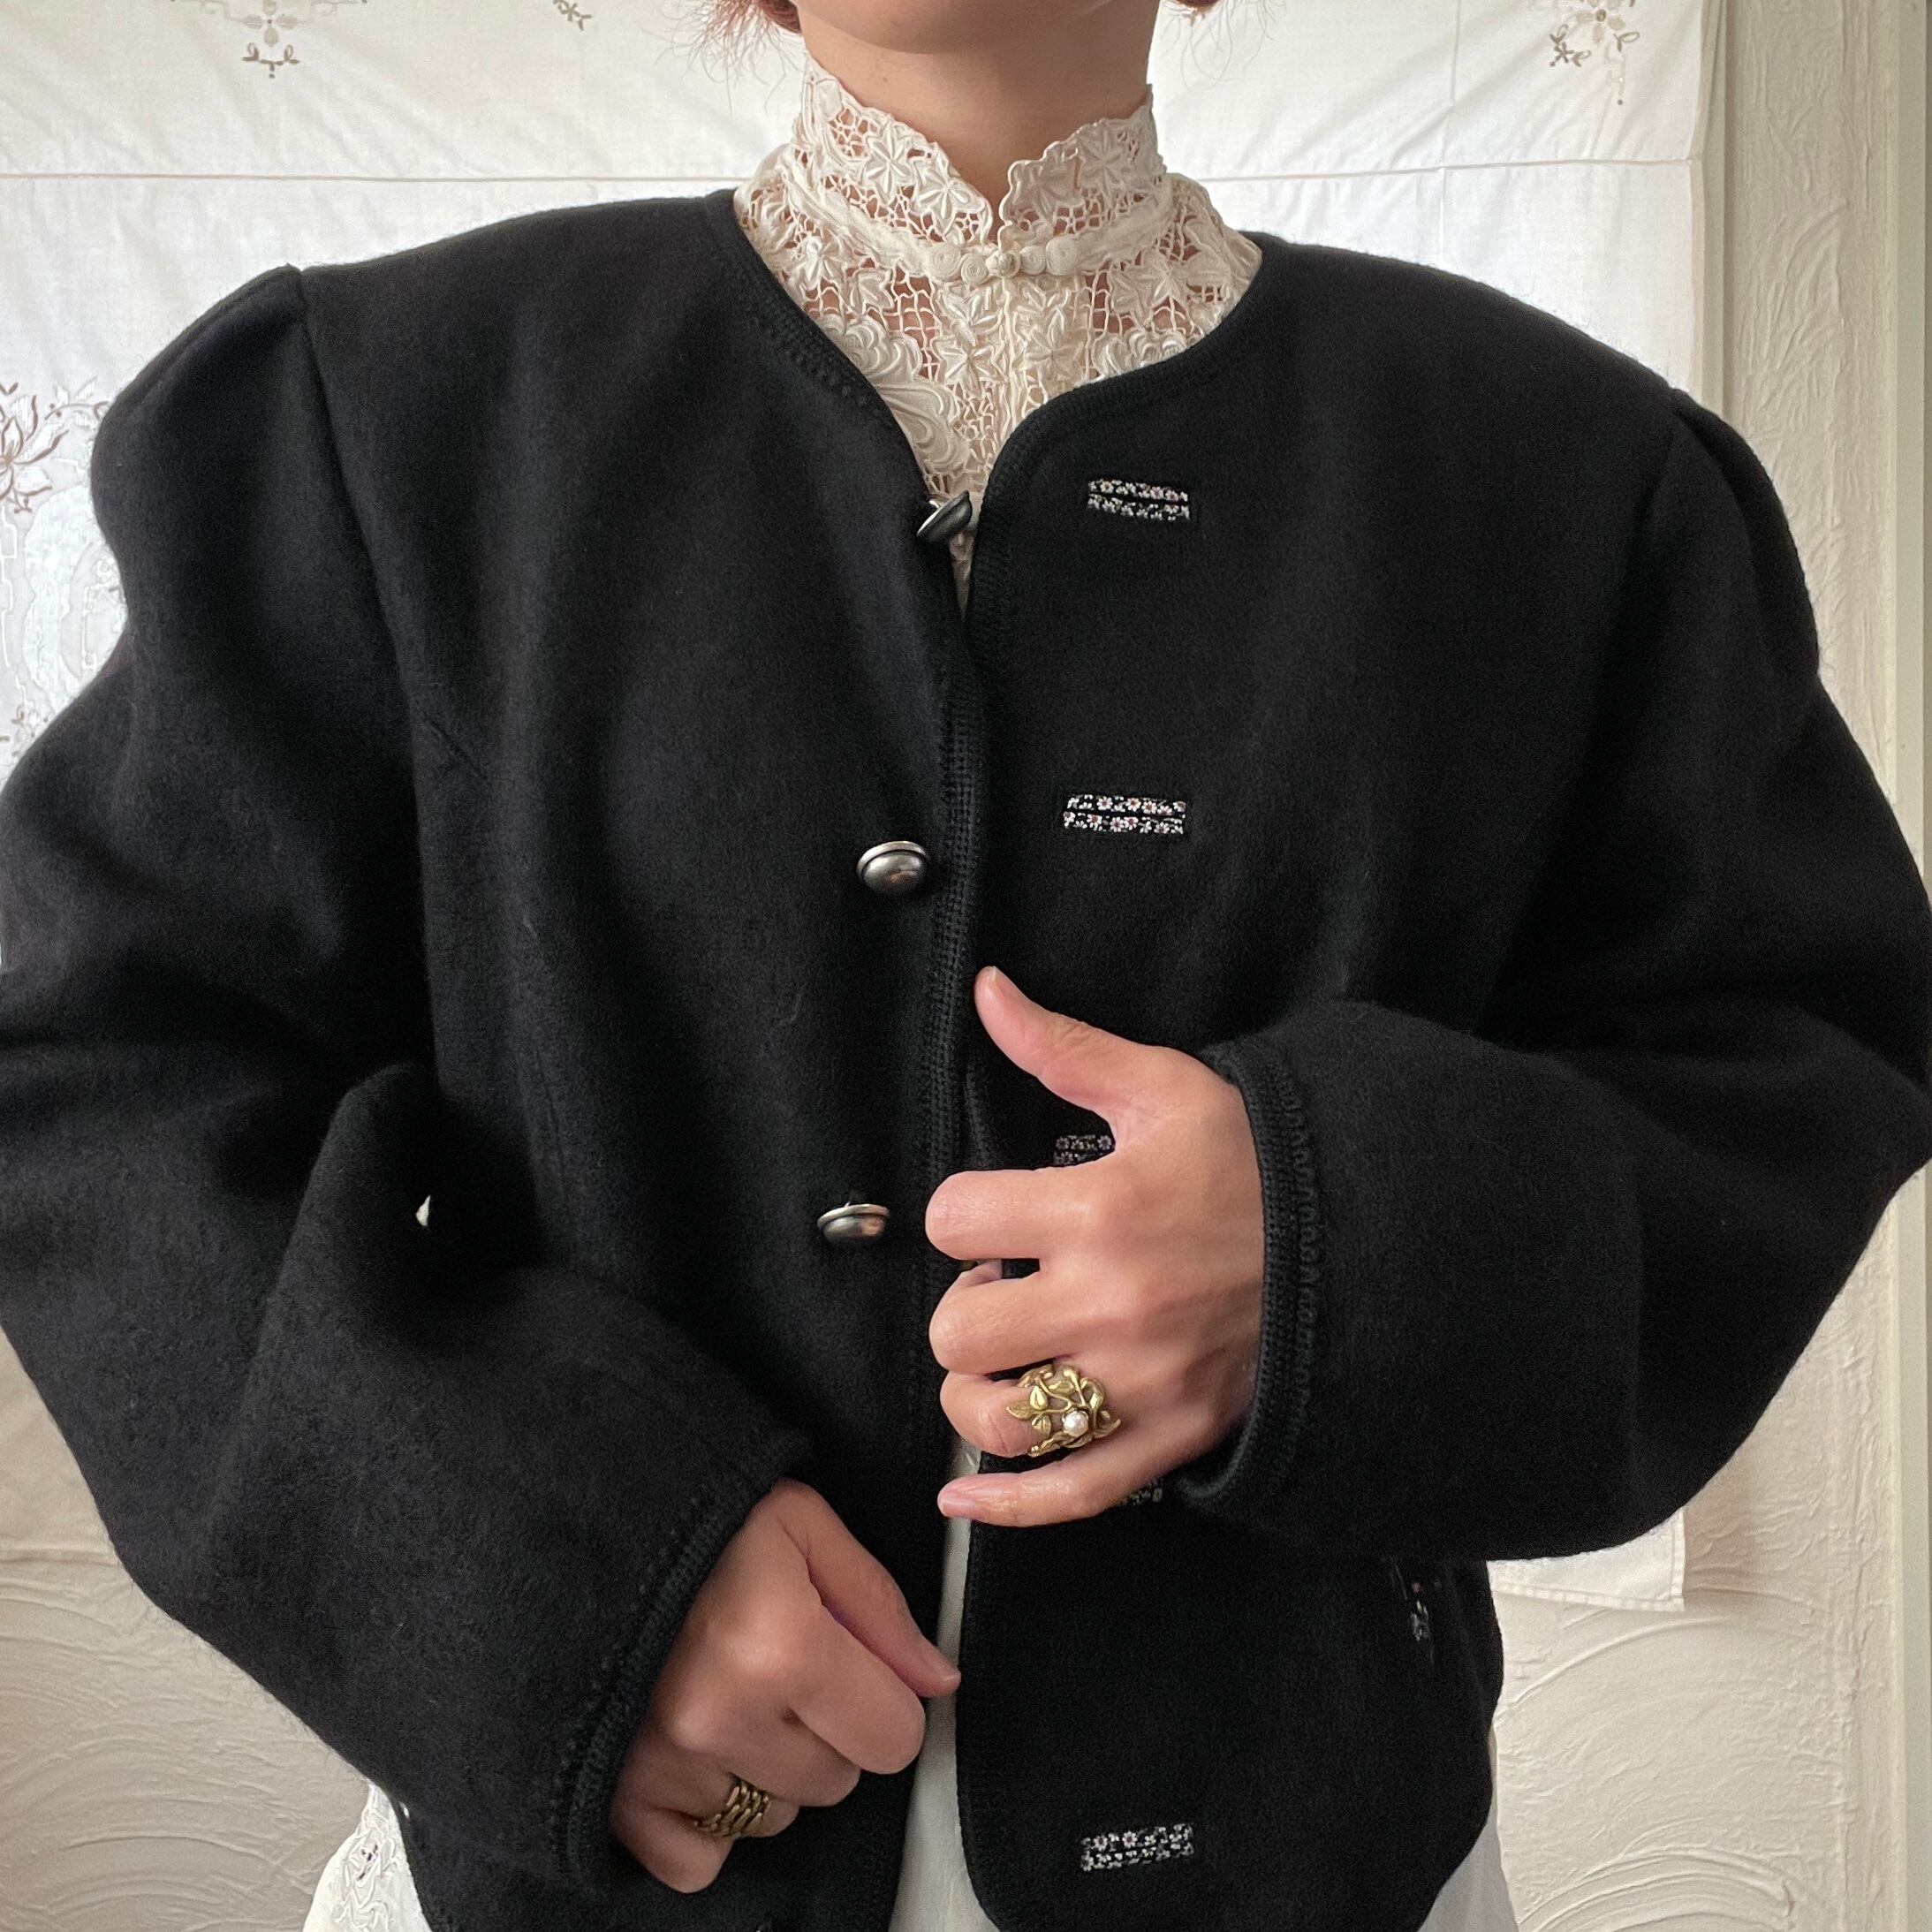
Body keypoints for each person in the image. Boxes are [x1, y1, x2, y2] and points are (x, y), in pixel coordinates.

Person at [4, 2, 1930, 1931]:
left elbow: (1791, 1049)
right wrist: (549, 1574)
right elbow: (92, 1065)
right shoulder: (388, 415)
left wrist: (1338, 1243)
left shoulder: (1557, 470)